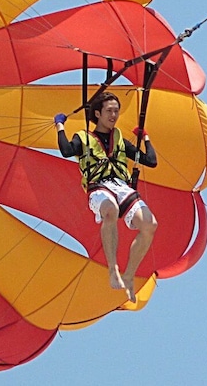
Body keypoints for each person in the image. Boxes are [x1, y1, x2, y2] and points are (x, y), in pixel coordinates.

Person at [54, 92, 158, 303]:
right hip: (98, 187)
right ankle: (113, 269)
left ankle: (129, 274)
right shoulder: (83, 138)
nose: (114, 115)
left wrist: (145, 137)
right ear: (98, 113)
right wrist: (60, 126)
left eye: (116, 111)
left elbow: (150, 160)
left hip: (121, 186)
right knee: (111, 210)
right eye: (109, 111)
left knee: (150, 224)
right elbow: (66, 150)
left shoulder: (119, 138)